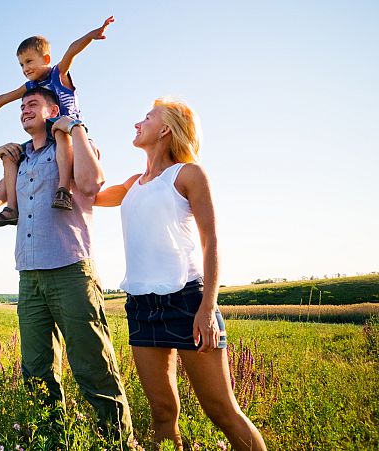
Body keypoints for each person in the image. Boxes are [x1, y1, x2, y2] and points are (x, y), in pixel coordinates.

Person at [94, 98, 267, 450]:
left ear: (165, 129)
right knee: (161, 412)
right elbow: (88, 196)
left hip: (188, 300)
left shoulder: (188, 174)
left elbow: (211, 241)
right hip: (141, 306)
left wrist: (207, 308)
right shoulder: (132, 184)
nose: (136, 124)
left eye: (146, 117)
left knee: (221, 410)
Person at [0, 86, 133, 443]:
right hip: (29, 276)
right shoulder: (22, 161)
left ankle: (118, 443)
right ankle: (52, 441)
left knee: (93, 366)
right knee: (36, 371)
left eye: (32, 104)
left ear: (52, 110)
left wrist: (75, 128)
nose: (23, 110)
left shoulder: (71, 147)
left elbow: (93, 184)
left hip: (70, 270)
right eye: (21, 107)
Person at [0, 16, 115, 226]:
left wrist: (92, 35)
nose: (25, 68)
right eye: (21, 65)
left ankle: (63, 189)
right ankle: (12, 208)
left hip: (68, 129)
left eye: (29, 61)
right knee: (11, 155)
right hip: (46, 135)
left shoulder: (57, 74)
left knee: (59, 131)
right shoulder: (30, 87)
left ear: (45, 59)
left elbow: (71, 50)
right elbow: (3, 98)